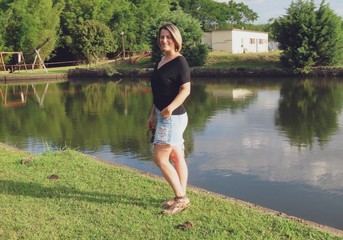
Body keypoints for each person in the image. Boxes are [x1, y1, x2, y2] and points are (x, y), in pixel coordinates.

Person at [147, 22, 191, 214]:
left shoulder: (179, 61)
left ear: (175, 40)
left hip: (173, 117)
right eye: (162, 37)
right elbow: (158, 91)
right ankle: (181, 196)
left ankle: (180, 199)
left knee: (160, 158)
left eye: (168, 37)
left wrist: (169, 109)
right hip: (162, 114)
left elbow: (186, 89)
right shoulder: (160, 61)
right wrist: (152, 114)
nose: (164, 40)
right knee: (175, 156)